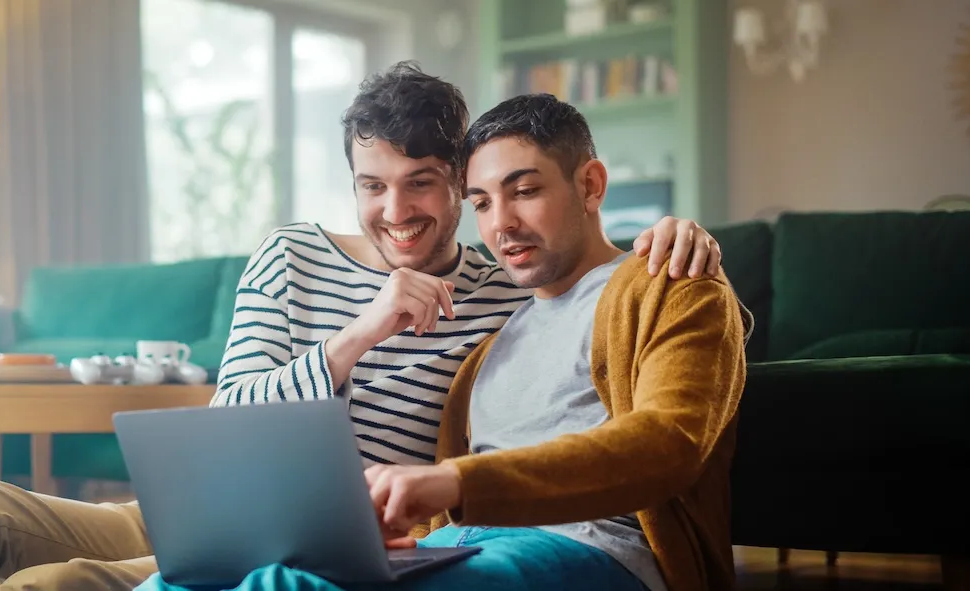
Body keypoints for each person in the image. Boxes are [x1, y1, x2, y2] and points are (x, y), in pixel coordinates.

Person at [0, 63, 725, 591]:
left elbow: (600, 286)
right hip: (225, 505)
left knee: (50, 588)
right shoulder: (291, 258)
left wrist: (678, 236)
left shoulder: (500, 285)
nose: (400, 212)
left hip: (359, 533)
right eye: (372, 186)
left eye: (429, 186)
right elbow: (233, 413)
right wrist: (350, 342)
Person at [137, 93, 750, 591]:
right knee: (188, 583)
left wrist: (454, 482)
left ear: (591, 185)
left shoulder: (668, 286)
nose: (501, 223)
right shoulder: (494, 331)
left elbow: (670, 441)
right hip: (448, 543)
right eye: (484, 201)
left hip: (589, 548)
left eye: (526, 190)